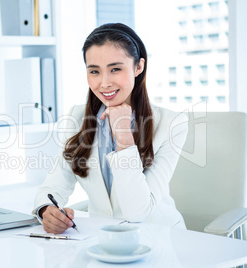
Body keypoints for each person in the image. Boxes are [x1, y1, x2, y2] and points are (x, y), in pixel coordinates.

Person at [32, 23, 188, 234]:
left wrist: (124, 136)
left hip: (159, 239)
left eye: (115, 69)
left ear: (138, 67)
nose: (104, 83)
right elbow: (54, 186)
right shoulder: (77, 117)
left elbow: (138, 213)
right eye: (94, 71)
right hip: (103, 240)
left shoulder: (171, 123)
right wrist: (46, 210)